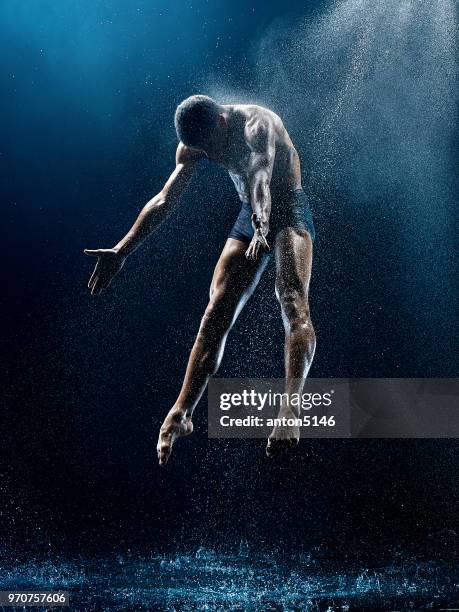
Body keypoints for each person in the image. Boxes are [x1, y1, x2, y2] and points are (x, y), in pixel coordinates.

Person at [84, 95, 316, 465]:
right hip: (249, 215)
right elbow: (164, 199)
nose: (211, 155)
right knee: (216, 309)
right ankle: (182, 412)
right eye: (202, 151)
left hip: (286, 207)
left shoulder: (257, 125)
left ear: (222, 121)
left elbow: (260, 175)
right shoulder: (195, 144)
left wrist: (262, 226)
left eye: (212, 146)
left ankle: (290, 411)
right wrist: (121, 251)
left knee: (292, 301)